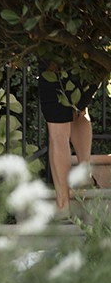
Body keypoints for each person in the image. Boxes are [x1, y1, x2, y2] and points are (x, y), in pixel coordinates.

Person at [39, 62, 106, 210]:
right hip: (87, 52)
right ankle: (85, 177)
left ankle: (63, 204)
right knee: (79, 110)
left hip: (55, 57)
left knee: (58, 131)